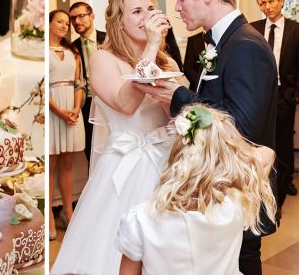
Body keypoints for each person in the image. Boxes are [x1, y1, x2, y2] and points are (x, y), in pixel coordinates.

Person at [138, 0, 278, 275]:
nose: (176, 7)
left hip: (238, 187)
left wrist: (178, 97)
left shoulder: (246, 46)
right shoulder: (222, 41)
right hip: (218, 183)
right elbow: (216, 105)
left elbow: (239, 126)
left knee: (241, 261)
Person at [51, 0, 179, 275]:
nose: (146, 17)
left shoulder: (167, 61)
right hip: (125, 167)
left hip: (166, 163)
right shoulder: (102, 59)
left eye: (150, 9)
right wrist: (151, 47)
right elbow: (126, 105)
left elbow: (177, 115)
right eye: (136, 12)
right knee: (116, 250)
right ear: (119, 21)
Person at [116, 105, 277, 275]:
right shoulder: (235, 206)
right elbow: (268, 154)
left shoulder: (140, 220)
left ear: (175, 154)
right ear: (224, 161)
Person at [250, 0, 299, 217]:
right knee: (259, 143)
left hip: (284, 96)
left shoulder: (295, 30)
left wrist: (294, 95)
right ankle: (260, 192)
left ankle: (278, 197)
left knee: (283, 146)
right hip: (258, 95)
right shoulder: (253, 29)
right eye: (263, 3)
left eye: (271, 1)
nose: (267, 7)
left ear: (281, 1)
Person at [48, 9, 86, 241]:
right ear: (49, 24)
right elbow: (41, 87)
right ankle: (49, 218)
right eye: (60, 21)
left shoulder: (74, 52)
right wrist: (60, 112)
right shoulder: (43, 52)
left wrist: (76, 109)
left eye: (66, 23)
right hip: (52, 111)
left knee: (67, 164)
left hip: (72, 109)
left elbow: (79, 84)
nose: (65, 25)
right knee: (51, 164)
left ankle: (67, 210)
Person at [68, 1, 105, 164]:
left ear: (92, 16)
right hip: (87, 102)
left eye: (81, 16)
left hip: (109, 99)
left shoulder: (108, 39)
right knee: (90, 147)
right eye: (73, 18)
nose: (77, 21)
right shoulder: (71, 48)